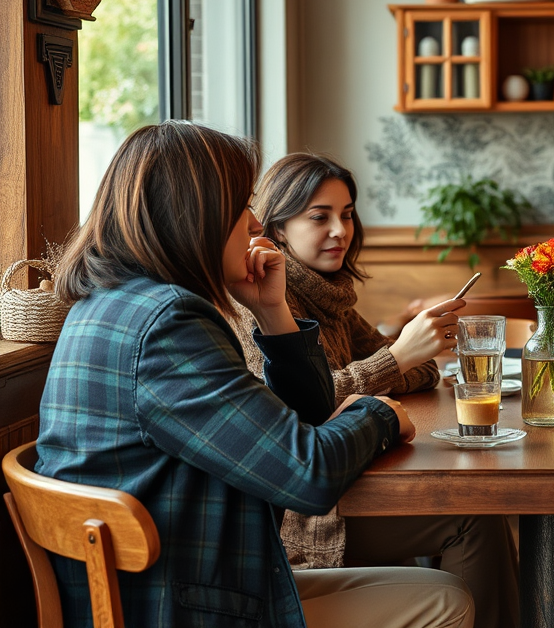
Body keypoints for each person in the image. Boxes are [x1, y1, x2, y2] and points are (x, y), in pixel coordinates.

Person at [35, 122, 473, 628]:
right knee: (447, 600)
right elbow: (308, 474)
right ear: (195, 215)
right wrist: (378, 413)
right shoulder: (169, 326)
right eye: (242, 206)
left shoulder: (109, 305)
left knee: (440, 587)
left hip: (170, 584)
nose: (254, 224)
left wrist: (273, 313)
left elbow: (303, 417)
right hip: (185, 603)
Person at [230, 152, 519, 628]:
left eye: (346, 214)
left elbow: (421, 373)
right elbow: (299, 405)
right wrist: (398, 358)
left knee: (477, 512)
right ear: (276, 228)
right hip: (306, 518)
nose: (340, 231)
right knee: (475, 519)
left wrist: (398, 360)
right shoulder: (259, 301)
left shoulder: (331, 295)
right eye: (319, 217)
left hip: (350, 477)